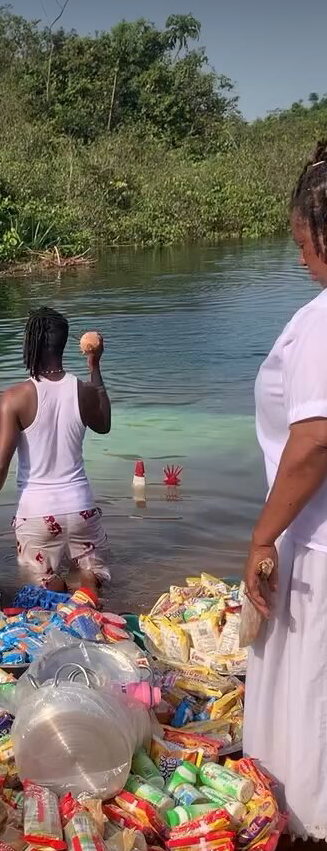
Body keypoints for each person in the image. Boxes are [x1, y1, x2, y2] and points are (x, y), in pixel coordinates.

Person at [243, 140, 327, 840]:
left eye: (303, 242)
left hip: (318, 546)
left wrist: (262, 535)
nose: (301, 258)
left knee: (308, 718)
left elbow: (315, 440)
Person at [0, 307, 111, 590]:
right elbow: (104, 424)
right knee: (89, 583)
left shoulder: (14, 398)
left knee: (43, 592)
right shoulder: (84, 391)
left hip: (38, 514)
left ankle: (52, 593)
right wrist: (94, 365)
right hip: (81, 508)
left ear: (30, 344)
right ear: (63, 343)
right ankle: (90, 591)